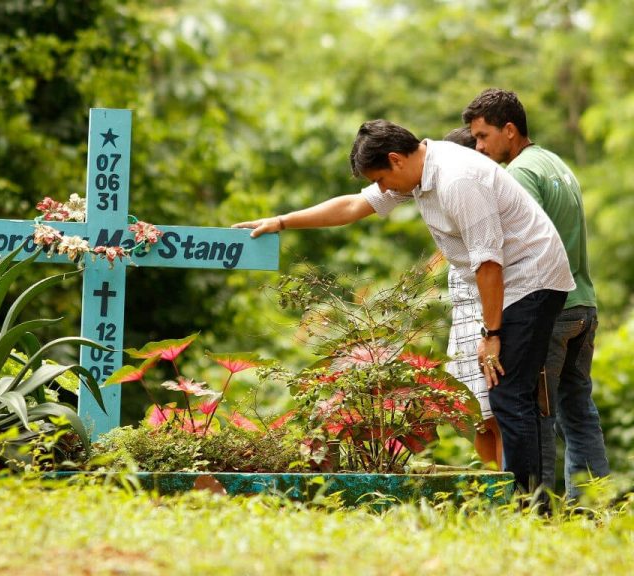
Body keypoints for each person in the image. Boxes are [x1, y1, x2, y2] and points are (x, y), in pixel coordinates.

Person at [234, 119, 575, 494]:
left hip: (531, 279)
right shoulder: (419, 172)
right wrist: (281, 221)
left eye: (380, 179)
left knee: (509, 395)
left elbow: (489, 262)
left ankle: (528, 506)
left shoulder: (456, 180)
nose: (380, 189)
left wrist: (491, 334)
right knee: (503, 396)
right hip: (506, 282)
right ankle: (523, 502)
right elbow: (352, 206)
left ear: (396, 160)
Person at [463, 88, 610, 500]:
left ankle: (536, 509)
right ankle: (593, 508)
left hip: (551, 309)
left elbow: (517, 250)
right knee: (578, 412)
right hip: (584, 304)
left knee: (535, 412)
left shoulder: (520, 174)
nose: (479, 147)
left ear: (509, 130)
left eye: (483, 136)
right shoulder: (554, 163)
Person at [442, 126, 502, 469]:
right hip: (462, 321)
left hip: (485, 321)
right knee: (477, 419)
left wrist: (489, 333)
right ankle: (492, 494)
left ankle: (510, 498)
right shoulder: (452, 196)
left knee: (497, 417)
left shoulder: (483, 194)